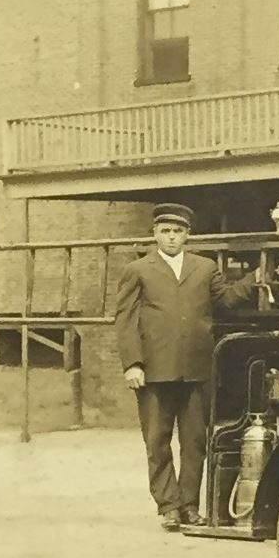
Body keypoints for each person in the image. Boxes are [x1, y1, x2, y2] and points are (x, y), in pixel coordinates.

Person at [115, 202, 258, 531]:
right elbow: (125, 320)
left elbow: (226, 300)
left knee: (195, 441)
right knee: (157, 440)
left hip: (196, 368)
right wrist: (133, 364)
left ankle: (190, 506)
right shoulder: (138, 270)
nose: (171, 237)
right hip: (154, 370)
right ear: (155, 233)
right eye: (165, 231)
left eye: (177, 231)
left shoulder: (204, 268)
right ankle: (169, 506)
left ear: (187, 235)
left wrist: (254, 279)